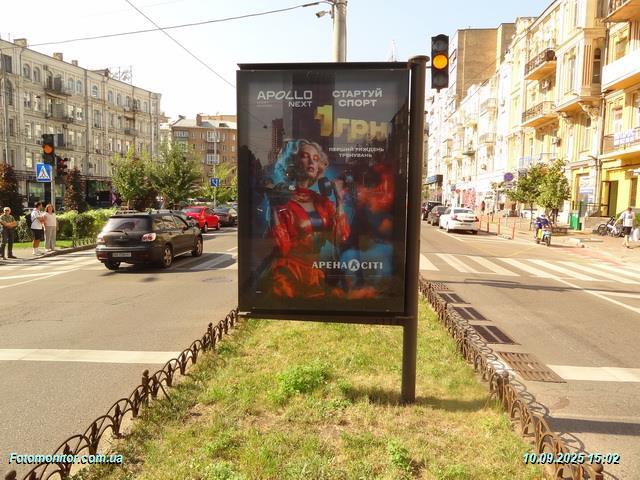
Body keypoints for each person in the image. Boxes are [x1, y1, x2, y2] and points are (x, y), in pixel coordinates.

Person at [264, 139, 350, 299]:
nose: (311, 161)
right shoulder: (281, 200)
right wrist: (274, 208)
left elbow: (341, 238)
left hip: (317, 273)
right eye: (305, 156)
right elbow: (282, 247)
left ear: (319, 167)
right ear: (293, 163)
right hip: (289, 274)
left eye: (316, 159)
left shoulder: (322, 202)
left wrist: (339, 200)